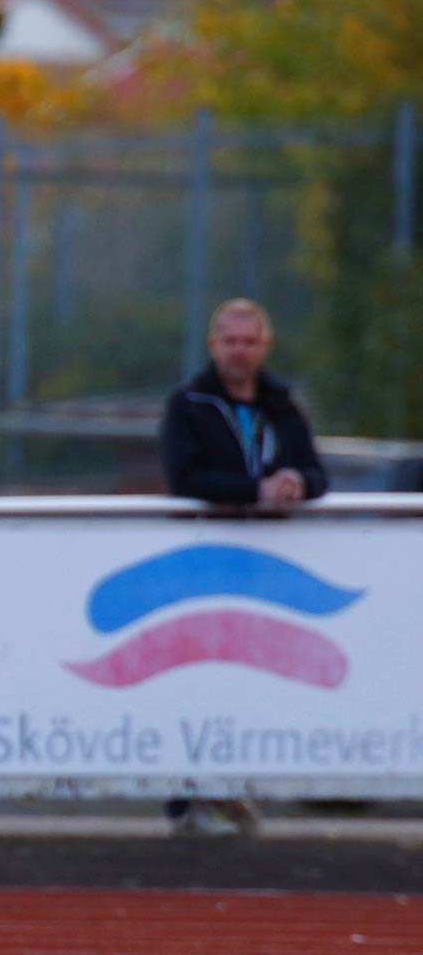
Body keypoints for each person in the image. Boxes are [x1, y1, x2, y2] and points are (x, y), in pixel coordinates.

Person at [158, 297, 327, 837]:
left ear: (265, 346)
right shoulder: (189, 404)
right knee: (197, 680)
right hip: (205, 565)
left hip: (271, 567)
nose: (240, 351)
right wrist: (252, 491)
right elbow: (184, 479)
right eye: (231, 341)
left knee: (260, 681)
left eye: (250, 342)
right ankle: (190, 795)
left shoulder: (282, 406)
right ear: (213, 345)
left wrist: (297, 484)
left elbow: (316, 471)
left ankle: (234, 787)